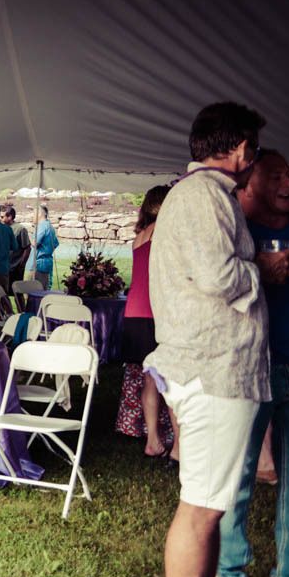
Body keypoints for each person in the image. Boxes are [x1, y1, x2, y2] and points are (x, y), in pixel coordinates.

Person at [145, 102, 273, 577]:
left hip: (212, 370)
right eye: (257, 152)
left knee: (211, 504)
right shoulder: (202, 197)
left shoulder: (202, 195)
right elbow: (220, 276)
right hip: (212, 373)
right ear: (241, 150)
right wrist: (262, 267)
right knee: (199, 508)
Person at [217, 149, 289, 577]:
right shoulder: (238, 232)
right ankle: (228, 572)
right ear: (250, 181)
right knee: (236, 473)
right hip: (250, 368)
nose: (288, 182)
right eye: (278, 174)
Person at [114, 185, 178, 460]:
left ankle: (153, 438)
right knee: (172, 379)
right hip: (155, 312)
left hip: (134, 313)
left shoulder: (139, 236)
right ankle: (177, 446)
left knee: (150, 379)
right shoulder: (164, 233)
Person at [2, 206, 31, 287]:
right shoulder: (2, 228)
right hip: (4, 268)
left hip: (15, 268)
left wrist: (21, 264)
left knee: (17, 292)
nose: (1, 219)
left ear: (10, 217)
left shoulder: (20, 229)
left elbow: (27, 248)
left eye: (2, 217)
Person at [32, 205, 59, 288]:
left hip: (41, 263)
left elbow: (35, 243)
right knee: (47, 287)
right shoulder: (50, 226)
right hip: (48, 261)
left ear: (39, 213)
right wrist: (48, 250)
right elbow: (56, 243)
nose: (33, 216)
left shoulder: (42, 226)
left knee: (39, 289)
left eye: (34, 214)